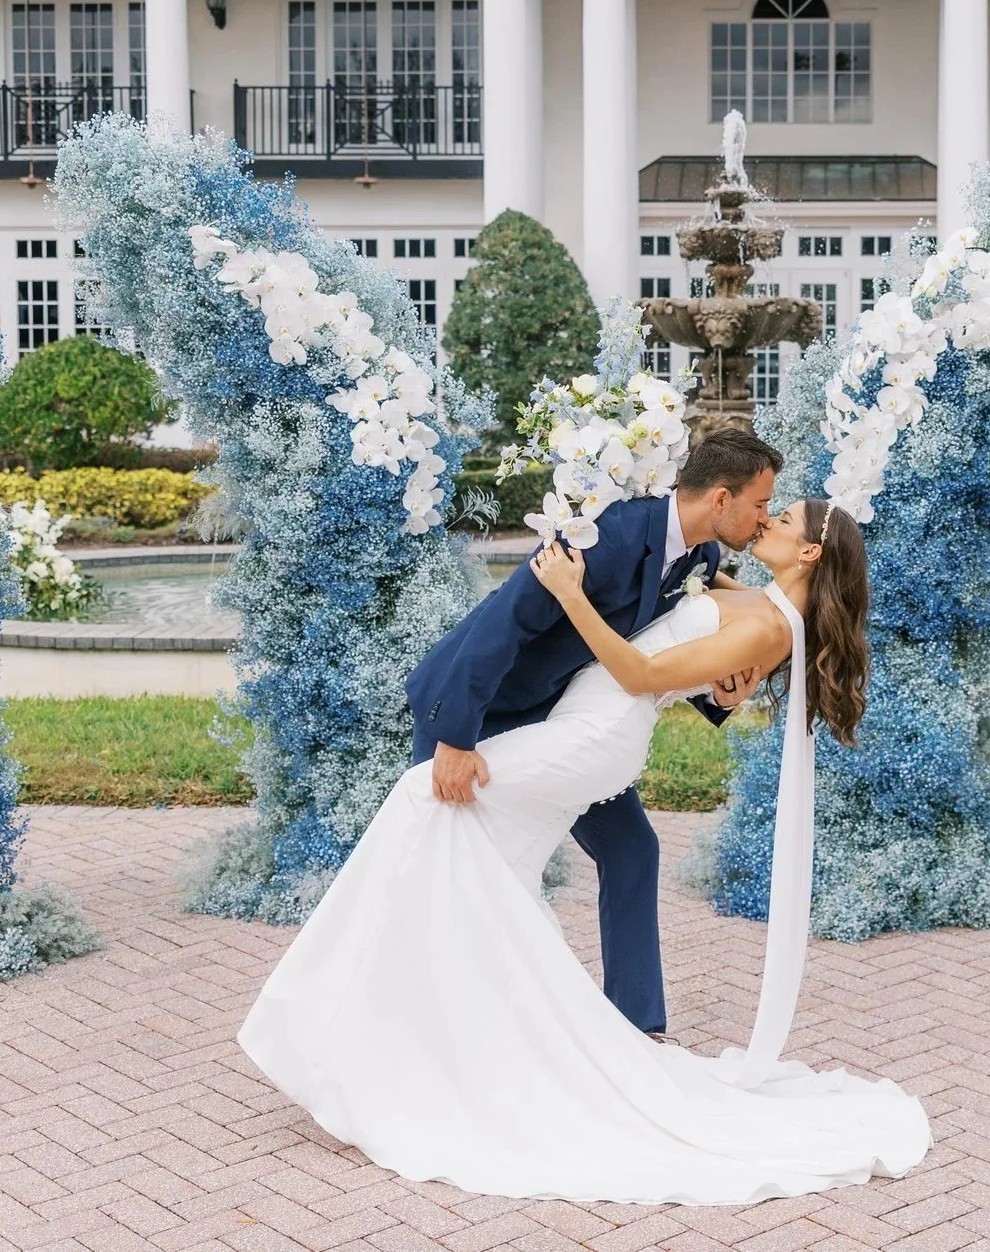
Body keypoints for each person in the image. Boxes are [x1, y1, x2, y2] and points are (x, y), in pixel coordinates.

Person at [237, 496, 930, 1203]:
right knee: (497, 868)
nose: (767, 521)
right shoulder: (750, 592)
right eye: (765, 507)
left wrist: (571, 595)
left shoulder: (768, 626)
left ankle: (340, 1019)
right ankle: (463, 1044)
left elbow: (639, 673)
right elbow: (683, 597)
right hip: (584, 719)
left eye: (781, 519)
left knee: (426, 798)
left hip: (597, 734)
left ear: (810, 550)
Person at [402, 430, 781, 1037]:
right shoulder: (605, 533)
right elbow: (504, 621)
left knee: (632, 850)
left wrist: (719, 695)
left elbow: (671, 647)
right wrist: (455, 739)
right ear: (719, 498)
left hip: (568, 727)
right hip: (483, 713)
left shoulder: (703, 560)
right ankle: (422, 1023)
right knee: (443, 863)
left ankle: (637, 1028)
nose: (764, 519)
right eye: (760, 504)